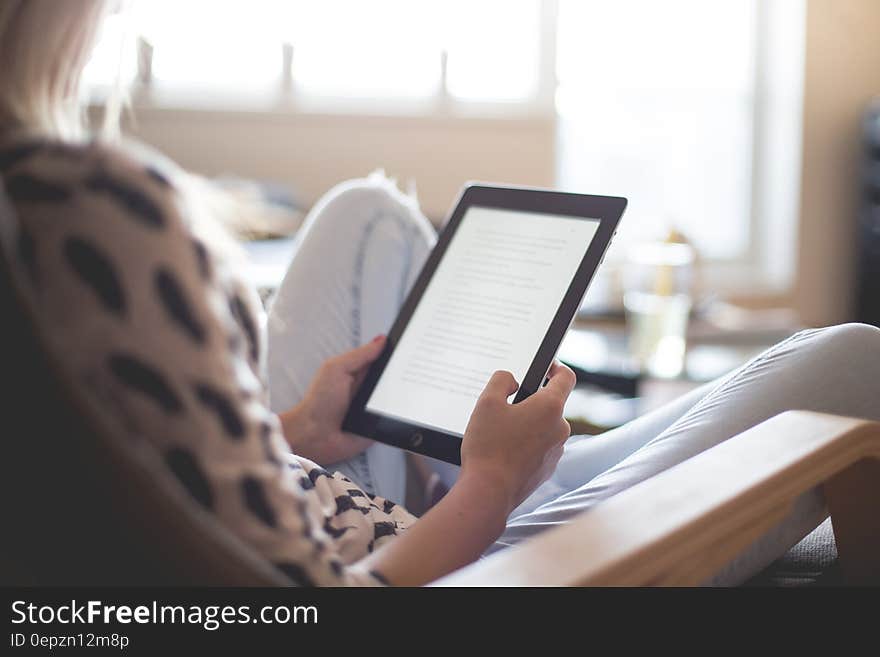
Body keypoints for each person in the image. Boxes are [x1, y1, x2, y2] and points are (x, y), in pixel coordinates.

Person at [1, 0, 878, 587]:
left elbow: (164, 473)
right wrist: (486, 490)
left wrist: (301, 429)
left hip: (325, 485)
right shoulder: (84, 210)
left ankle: (473, 458)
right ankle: (499, 472)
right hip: (456, 564)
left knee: (370, 214)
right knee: (855, 359)